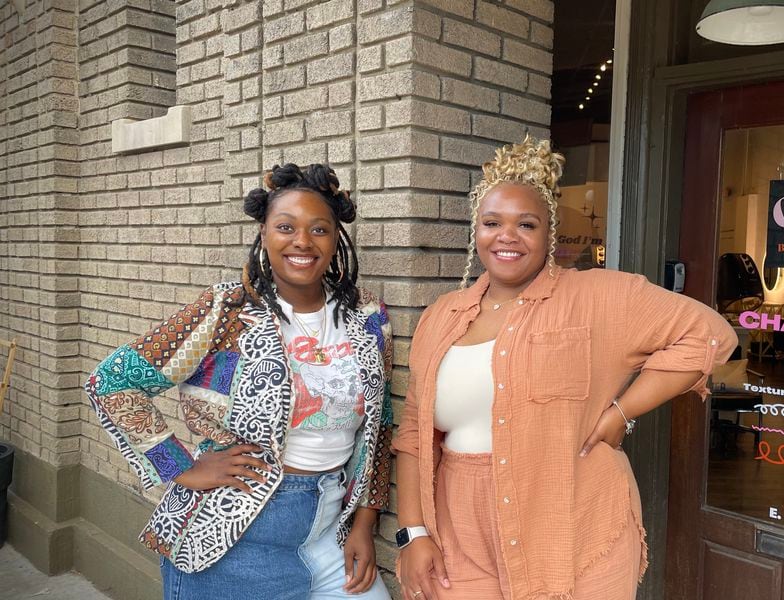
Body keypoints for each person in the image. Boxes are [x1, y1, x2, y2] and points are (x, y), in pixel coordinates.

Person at [393, 137, 738, 600]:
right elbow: (415, 435)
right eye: (492, 222)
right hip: (461, 534)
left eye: (526, 224)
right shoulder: (442, 316)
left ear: (548, 234)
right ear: (476, 231)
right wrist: (413, 534)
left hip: (573, 526)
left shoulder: (598, 297)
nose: (507, 236)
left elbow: (710, 334)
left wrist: (621, 412)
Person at [85, 164, 394, 600]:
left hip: (331, 535)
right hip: (231, 539)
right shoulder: (227, 311)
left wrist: (365, 520)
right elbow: (113, 382)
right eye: (286, 227)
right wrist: (182, 466)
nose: (302, 241)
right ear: (264, 234)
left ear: (336, 239)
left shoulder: (368, 318)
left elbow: (379, 429)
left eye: (319, 229)